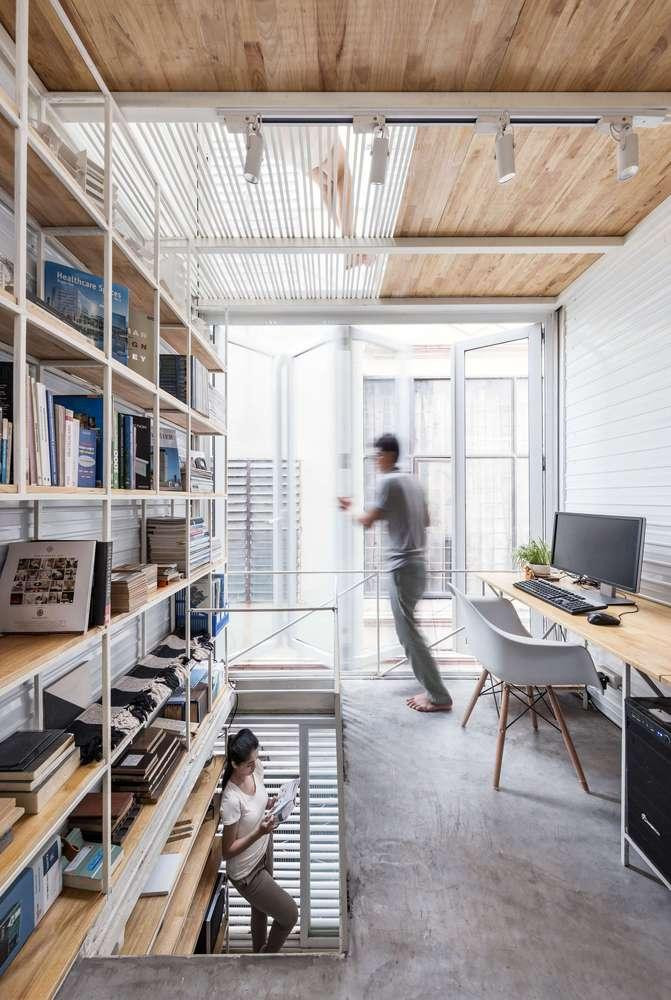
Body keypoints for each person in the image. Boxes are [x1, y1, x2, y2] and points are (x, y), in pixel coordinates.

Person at [339, 433, 453, 714]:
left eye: (378, 455)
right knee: (411, 632)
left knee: (409, 636)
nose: (376, 461)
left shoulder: (388, 482)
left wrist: (349, 509)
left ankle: (438, 696)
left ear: (389, 455)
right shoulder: (413, 482)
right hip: (419, 566)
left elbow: (367, 521)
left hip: (402, 568)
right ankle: (433, 690)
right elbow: (426, 520)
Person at [220, 728, 298, 952]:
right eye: (249, 764)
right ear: (235, 764)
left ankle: (257, 958)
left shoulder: (255, 769)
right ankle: (267, 959)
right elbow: (227, 850)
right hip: (246, 872)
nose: (255, 766)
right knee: (290, 915)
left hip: (263, 850)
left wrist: (271, 803)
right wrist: (258, 833)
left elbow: (257, 802)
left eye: (256, 759)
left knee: (260, 910)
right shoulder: (231, 799)